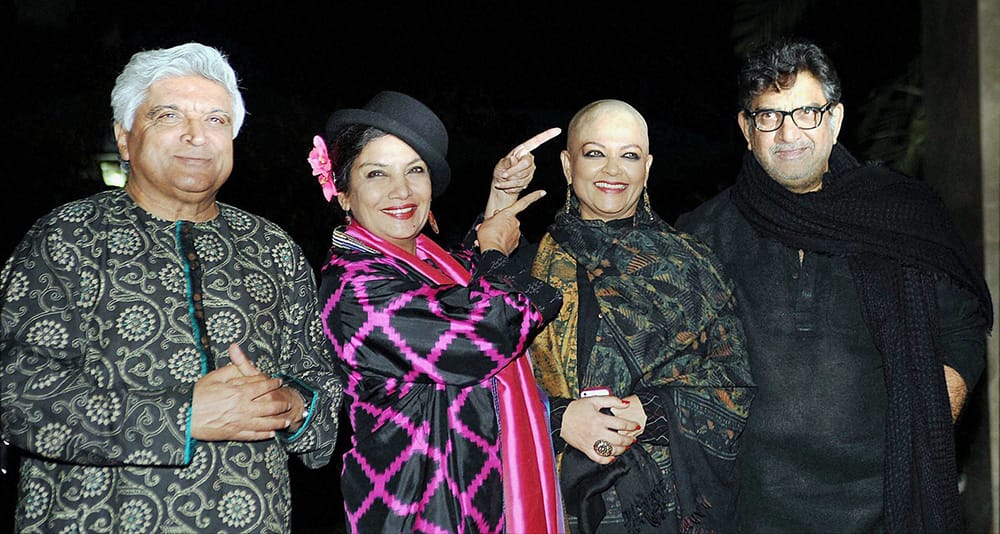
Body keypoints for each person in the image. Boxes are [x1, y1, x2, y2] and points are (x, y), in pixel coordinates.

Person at [0, 42, 343, 533]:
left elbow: (324, 389)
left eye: (217, 121)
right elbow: (16, 391)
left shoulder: (272, 247)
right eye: (168, 115)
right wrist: (180, 416)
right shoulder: (68, 237)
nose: (196, 136)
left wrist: (293, 407)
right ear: (124, 138)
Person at [675, 37, 993, 533]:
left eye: (806, 112)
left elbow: (963, 327)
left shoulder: (900, 218)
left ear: (835, 119)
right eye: (769, 116)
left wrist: (922, 429)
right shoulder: (703, 235)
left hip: (886, 508)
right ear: (746, 128)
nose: (788, 133)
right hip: (746, 512)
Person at [313, 90, 565, 533]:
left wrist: (500, 197)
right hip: (415, 512)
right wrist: (494, 254)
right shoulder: (352, 290)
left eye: (415, 170)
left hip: (477, 504)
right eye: (376, 174)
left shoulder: (426, 261)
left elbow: (459, 291)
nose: (402, 190)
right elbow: (482, 330)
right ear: (345, 193)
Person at [522, 99, 755, 533]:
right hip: (551, 502)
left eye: (628, 155)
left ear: (646, 168)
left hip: (665, 505)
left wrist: (653, 411)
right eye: (595, 153)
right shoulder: (526, 271)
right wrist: (557, 418)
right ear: (567, 165)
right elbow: (481, 390)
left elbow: (734, 382)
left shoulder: (691, 266)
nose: (613, 170)